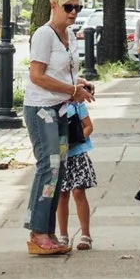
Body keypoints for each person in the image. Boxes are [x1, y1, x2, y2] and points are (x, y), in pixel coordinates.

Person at [24, 0, 93, 257]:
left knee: (60, 170)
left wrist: (80, 84)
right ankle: (38, 232)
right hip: (42, 110)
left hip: (62, 109)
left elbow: (65, 72)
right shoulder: (44, 35)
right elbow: (37, 76)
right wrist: (71, 90)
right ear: (54, 6)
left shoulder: (70, 36)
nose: (74, 12)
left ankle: (47, 230)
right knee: (49, 167)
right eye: (68, 7)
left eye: (78, 7)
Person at [55, 95, 97, 250]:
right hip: (60, 156)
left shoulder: (76, 104)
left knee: (79, 192)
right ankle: (63, 235)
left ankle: (85, 234)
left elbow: (89, 126)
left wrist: (76, 140)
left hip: (77, 153)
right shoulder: (51, 105)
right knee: (62, 194)